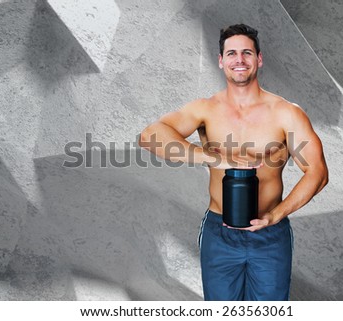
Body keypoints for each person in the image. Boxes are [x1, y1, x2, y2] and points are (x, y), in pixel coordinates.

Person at [139, 24, 328, 301]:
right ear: (221, 61)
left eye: (246, 53)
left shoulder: (286, 113)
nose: (239, 60)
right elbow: (150, 136)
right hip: (220, 231)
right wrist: (215, 157)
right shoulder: (205, 109)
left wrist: (275, 215)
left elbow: (318, 173)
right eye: (231, 53)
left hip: (270, 231)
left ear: (259, 59)